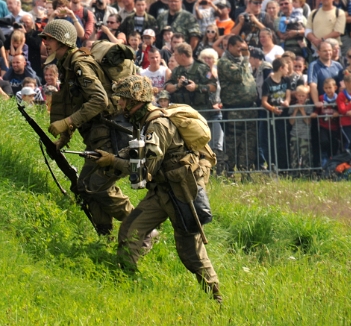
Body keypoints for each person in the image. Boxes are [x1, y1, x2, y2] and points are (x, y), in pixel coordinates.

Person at [91, 75, 221, 303]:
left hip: (181, 194)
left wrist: (112, 161)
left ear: (134, 100)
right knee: (130, 230)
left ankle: (216, 298)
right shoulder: (145, 122)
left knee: (191, 253)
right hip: (161, 191)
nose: (119, 104)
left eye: (122, 99)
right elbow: (138, 155)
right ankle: (124, 284)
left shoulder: (157, 125)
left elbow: (143, 170)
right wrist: (113, 157)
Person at [42, 19, 133, 236]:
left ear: (61, 41)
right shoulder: (68, 65)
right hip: (95, 134)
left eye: (49, 39)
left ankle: (142, 226)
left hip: (108, 134)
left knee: (96, 186)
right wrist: (65, 136)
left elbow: (99, 100)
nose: (45, 42)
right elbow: (73, 101)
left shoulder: (79, 65)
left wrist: (68, 122)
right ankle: (105, 235)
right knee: (84, 186)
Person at [217, 35, 259, 171]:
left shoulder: (242, 61)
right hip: (234, 109)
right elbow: (238, 76)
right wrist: (246, 58)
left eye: (243, 47)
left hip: (249, 108)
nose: (241, 51)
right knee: (232, 142)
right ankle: (228, 171)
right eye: (238, 47)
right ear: (229, 46)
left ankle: (245, 170)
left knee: (249, 141)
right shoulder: (224, 62)